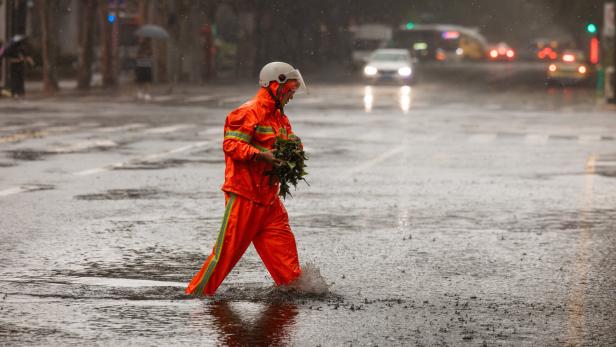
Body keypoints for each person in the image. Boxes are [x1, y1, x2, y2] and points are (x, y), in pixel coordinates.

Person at [186, 62, 307, 297]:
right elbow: (231, 145)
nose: (292, 96)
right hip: (244, 196)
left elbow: (291, 143)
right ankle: (195, 296)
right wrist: (260, 155)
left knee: (287, 261)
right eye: (291, 90)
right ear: (276, 84)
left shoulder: (280, 118)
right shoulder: (247, 112)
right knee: (224, 256)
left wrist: (295, 154)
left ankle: (296, 292)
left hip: (269, 201)